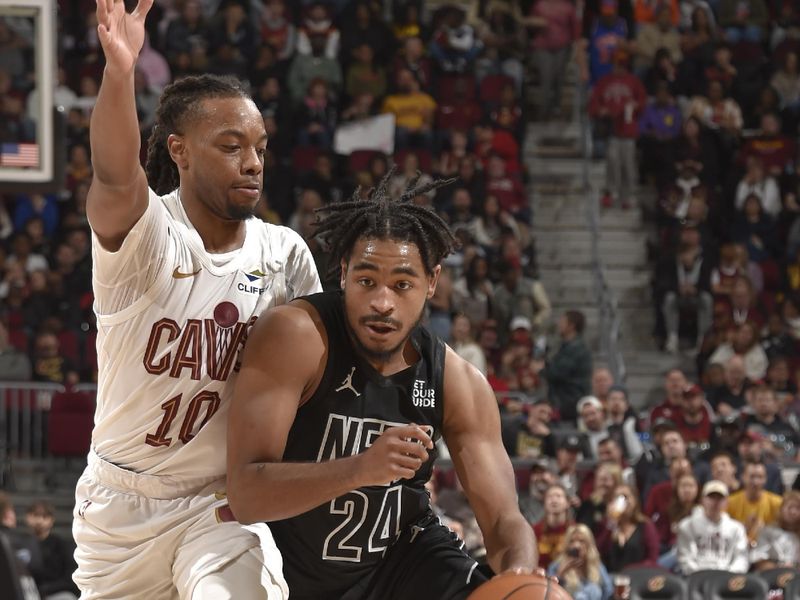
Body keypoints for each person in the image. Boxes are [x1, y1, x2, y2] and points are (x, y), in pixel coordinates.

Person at [72, 1, 321, 598]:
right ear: (179, 150)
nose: (254, 162)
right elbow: (113, 176)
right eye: (232, 146)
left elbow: (328, 375)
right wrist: (119, 73)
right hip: (120, 508)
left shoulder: (285, 254)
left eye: (260, 147)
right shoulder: (149, 238)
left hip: (220, 503)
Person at [227, 173, 538, 600]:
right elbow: (245, 494)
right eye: (367, 281)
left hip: (403, 563)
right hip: (289, 570)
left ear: (432, 282)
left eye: (403, 285)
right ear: (343, 273)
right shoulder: (297, 336)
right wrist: (362, 468)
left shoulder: (459, 381)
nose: (382, 302)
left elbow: (504, 520)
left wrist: (521, 573)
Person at [676, 480, 749, 574]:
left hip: (726, 576)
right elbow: (685, 558)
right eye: (711, 497)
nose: (715, 502)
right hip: (696, 577)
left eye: (720, 498)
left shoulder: (737, 528)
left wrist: (729, 574)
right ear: (702, 500)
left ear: (726, 502)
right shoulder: (687, 525)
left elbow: (741, 558)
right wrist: (699, 574)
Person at [25, 500, 80, 600]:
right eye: (35, 515)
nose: (39, 520)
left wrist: (44, 590)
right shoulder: (21, 544)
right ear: (28, 517)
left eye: (45, 516)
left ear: (52, 520)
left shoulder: (62, 545)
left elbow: (69, 578)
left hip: (55, 593)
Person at [547, 524, 613, 600]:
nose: (576, 545)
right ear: (567, 545)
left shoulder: (596, 565)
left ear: (588, 544)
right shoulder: (556, 566)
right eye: (572, 541)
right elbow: (548, 592)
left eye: (581, 541)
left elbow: (608, 591)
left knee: (593, 589)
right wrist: (560, 573)